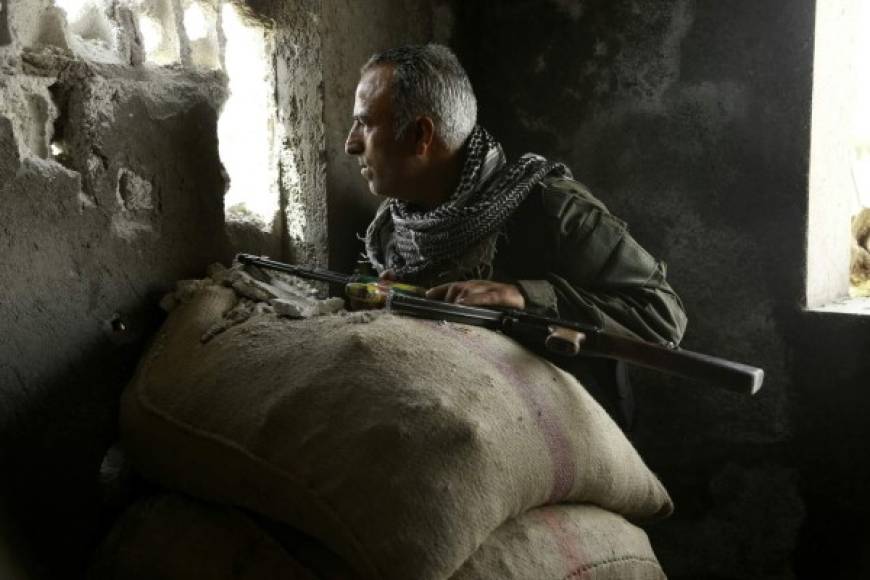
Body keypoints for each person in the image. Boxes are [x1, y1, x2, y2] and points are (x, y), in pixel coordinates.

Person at [344, 44, 687, 426]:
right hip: (452, 415)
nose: (351, 143)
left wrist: (522, 296)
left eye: (365, 123)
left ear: (420, 134)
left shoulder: (552, 209)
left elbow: (662, 316)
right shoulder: (394, 224)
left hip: (564, 430)